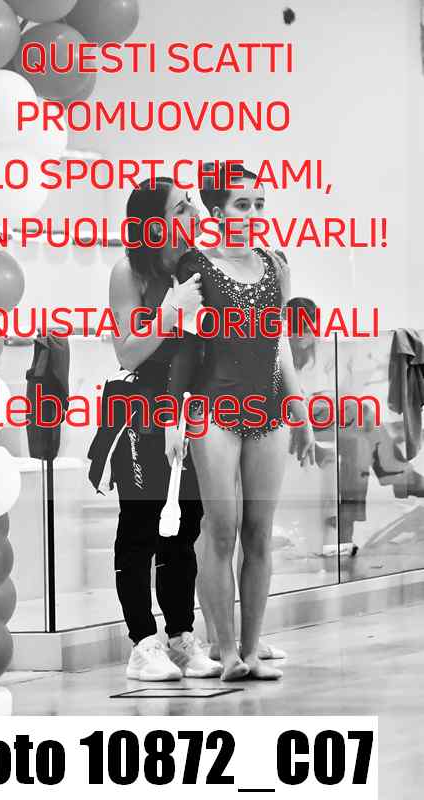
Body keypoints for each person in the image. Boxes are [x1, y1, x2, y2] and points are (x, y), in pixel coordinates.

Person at [165, 164, 315, 681]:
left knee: (259, 532)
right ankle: (225, 651)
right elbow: (185, 349)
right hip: (214, 412)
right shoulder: (195, 265)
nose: (252, 214)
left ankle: (252, 652)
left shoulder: (275, 263)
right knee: (221, 530)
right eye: (241, 204)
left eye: (259, 204)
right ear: (217, 210)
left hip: (268, 410)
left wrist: (298, 404)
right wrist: (173, 416)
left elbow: (278, 341)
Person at [87, 177, 221, 681]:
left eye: (190, 203)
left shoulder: (197, 264)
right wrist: (169, 312)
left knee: (184, 529)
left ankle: (181, 636)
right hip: (142, 410)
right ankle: (142, 643)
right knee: (141, 528)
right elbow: (127, 353)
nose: (192, 212)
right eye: (180, 207)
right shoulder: (129, 271)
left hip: (188, 408)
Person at [287, 296, 424, 555]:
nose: (303, 333)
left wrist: (325, 400)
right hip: (299, 422)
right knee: (361, 414)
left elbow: (343, 393)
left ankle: (345, 530)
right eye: (297, 327)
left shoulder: (328, 352)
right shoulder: (280, 356)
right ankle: (401, 477)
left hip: (334, 418)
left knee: (358, 438)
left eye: (308, 326)